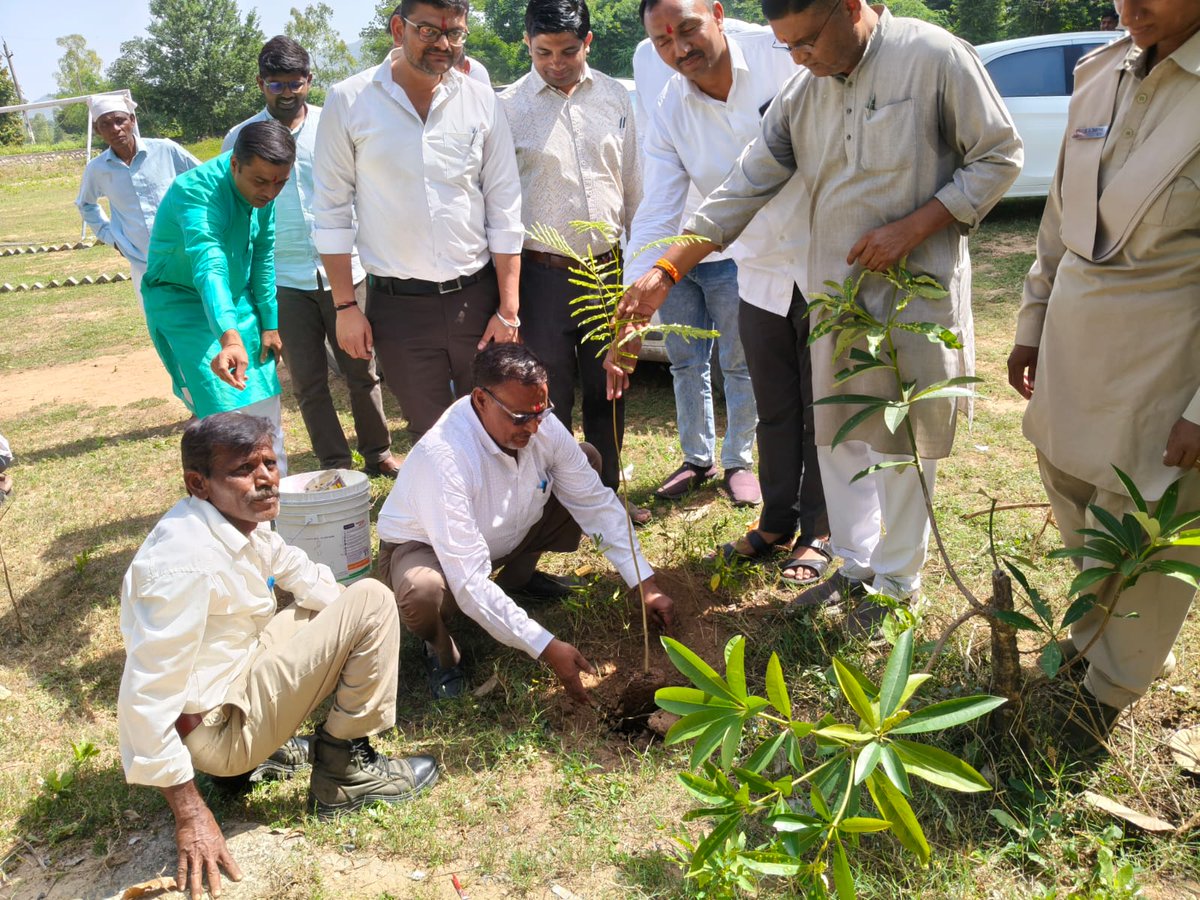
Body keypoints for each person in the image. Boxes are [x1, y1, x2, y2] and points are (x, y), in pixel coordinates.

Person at [612, 0, 1021, 610]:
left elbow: (998, 156)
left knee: (902, 434)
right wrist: (669, 267)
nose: (798, 58)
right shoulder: (805, 90)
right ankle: (855, 565)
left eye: (806, 42)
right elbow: (743, 186)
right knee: (841, 432)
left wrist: (913, 227)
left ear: (851, 7)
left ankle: (898, 586)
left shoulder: (932, 57)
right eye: (789, 46)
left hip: (914, 293)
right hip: (835, 293)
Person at [118, 413, 439, 900]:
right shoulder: (185, 564)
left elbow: (310, 581)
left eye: (270, 462)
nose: (266, 477)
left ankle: (256, 760)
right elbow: (143, 700)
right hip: (213, 734)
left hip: (226, 697)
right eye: (245, 468)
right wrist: (190, 814)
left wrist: (361, 647)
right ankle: (343, 775)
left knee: (335, 602)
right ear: (198, 483)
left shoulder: (236, 523)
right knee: (372, 598)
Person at [1007, 0, 1200, 753]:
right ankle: (1087, 653)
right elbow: (1059, 217)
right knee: (1074, 495)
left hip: (1164, 361)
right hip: (1072, 346)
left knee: (1147, 536)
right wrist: (1031, 319)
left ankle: (1106, 701)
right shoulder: (1100, 72)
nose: (1132, 4)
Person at [631, 0, 831, 575]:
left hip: (827, 259)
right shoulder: (671, 105)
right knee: (774, 404)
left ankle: (818, 532)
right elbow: (659, 206)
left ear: (717, 13)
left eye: (688, 28)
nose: (680, 48)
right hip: (758, 271)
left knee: (823, 408)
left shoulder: (779, 56)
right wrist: (636, 290)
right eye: (663, 40)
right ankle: (776, 520)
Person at [376, 344, 676, 701]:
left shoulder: (538, 423)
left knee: (586, 459)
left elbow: (594, 502)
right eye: (520, 417)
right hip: (430, 551)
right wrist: (545, 646)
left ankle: (519, 580)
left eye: (541, 411)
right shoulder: (443, 458)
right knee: (420, 591)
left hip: (503, 531)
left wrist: (646, 583)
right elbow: (469, 580)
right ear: (481, 401)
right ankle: (440, 649)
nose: (534, 426)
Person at [313, 0, 525, 437]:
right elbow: (332, 211)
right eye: (428, 31)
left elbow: (504, 206)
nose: (444, 44)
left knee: (496, 427)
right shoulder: (350, 101)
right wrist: (345, 306)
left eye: (456, 33)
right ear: (398, 29)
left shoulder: (481, 101)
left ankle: (502, 509)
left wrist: (508, 308)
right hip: (399, 308)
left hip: (477, 300)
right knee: (433, 436)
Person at [223, 37, 400, 479]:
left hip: (347, 267)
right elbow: (233, 205)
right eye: (276, 84)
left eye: (295, 83)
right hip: (282, 277)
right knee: (308, 380)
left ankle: (378, 453)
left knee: (363, 369)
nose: (287, 93)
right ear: (261, 84)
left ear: (310, 80)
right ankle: (335, 463)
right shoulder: (240, 139)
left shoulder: (335, 123)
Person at [499, 0, 648, 522]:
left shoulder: (615, 97)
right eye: (543, 52)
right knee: (549, 389)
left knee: (610, 384)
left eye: (567, 51)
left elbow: (634, 189)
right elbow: (498, 203)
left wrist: (640, 274)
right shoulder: (508, 107)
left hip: (607, 269)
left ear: (587, 42)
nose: (555, 63)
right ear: (527, 44)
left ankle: (606, 492)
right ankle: (557, 502)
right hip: (541, 274)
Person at [142, 120, 295, 472]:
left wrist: (269, 322)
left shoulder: (265, 188)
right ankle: (225, 508)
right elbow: (209, 268)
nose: (270, 193)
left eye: (280, 183)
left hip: (238, 300)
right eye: (260, 181)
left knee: (264, 408)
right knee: (222, 413)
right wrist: (229, 337)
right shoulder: (193, 192)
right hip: (185, 305)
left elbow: (262, 253)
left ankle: (274, 509)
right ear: (234, 164)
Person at [75, 94, 199, 309]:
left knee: (204, 318)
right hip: (142, 262)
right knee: (161, 324)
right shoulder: (97, 169)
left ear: (132, 120)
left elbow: (204, 179)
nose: (115, 129)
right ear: (98, 130)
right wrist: (111, 237)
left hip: (186, 254)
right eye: (105, 124)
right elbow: (86, 204)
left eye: (119, 120)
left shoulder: (165, 150)